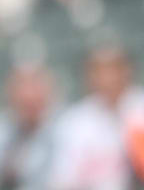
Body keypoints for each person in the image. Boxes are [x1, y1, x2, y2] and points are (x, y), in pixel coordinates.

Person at [47, 45, 144, 189]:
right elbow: (62, 181)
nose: (108, 77)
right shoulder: (73, 121)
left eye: (115, 68)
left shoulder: (140, 109)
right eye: (99, 70)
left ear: (128, 70)